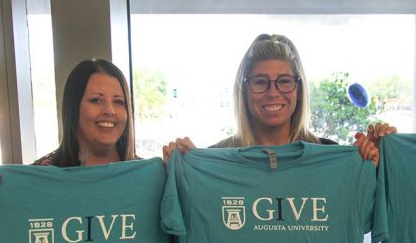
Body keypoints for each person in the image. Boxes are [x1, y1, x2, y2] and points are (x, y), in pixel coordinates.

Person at [162, 33, 394, 163]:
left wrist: (375, 163)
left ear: (299, 89)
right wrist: (185, 167)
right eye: (260, 82)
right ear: (243, 91)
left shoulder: (329, 156)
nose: (273, 92)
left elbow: (364, 218)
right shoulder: (215, 160)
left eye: (284, 81)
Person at [34, 58, 137, 166]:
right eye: (96, 100)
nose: (110, 111)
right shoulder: (39, 177)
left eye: (118, 102)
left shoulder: (147, 177)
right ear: (73, 107)